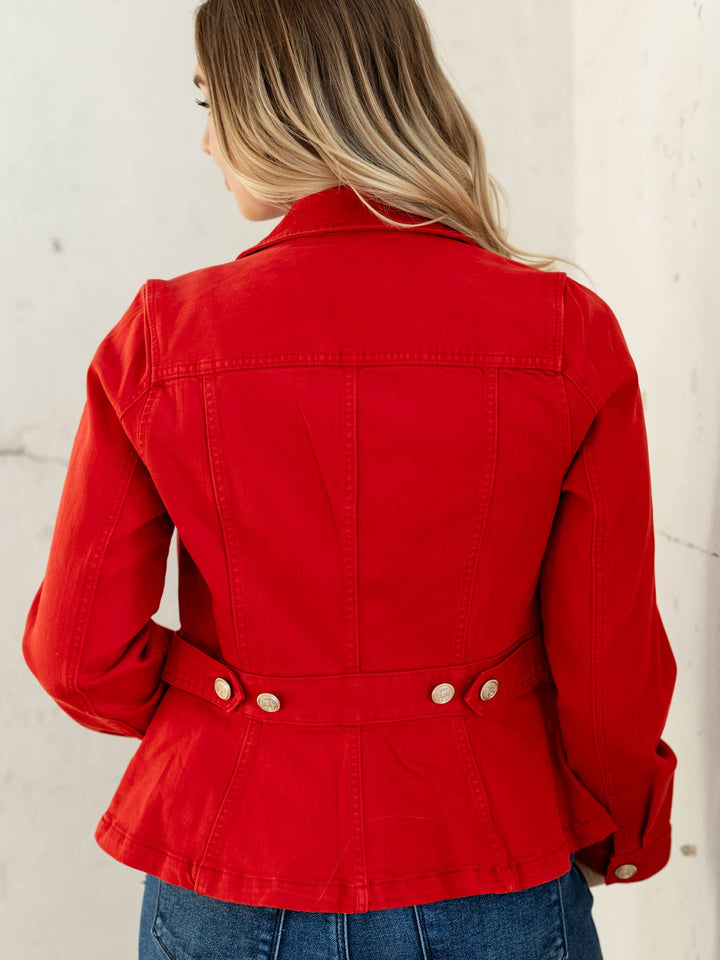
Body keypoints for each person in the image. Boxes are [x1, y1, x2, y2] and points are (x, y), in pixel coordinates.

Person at [21, 1, 678, 958]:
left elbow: (79, 654)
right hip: (489, 859)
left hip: (230, 864)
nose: (205, 140)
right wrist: (623, 835)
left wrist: (232, 711)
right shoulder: (565, 332)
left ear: (281, 108)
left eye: (212, 103)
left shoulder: (165, 338)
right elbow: (609, 660)